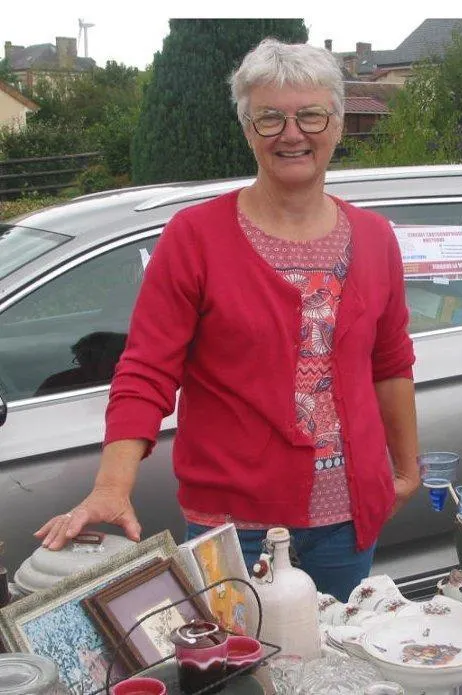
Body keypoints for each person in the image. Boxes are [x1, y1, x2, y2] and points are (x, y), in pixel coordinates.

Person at [35, 38, 419, 602]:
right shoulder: (196, 237)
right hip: (235, 523)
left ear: (338, 125)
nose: (292, 133)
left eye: (311, 115)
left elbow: (390, 362)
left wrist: (405, 470)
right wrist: (112, 486)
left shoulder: (375, 238)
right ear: (247, 129)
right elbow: (146, 369)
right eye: (270, 118)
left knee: (340, 649)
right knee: (237, 653)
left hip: (348, 517)